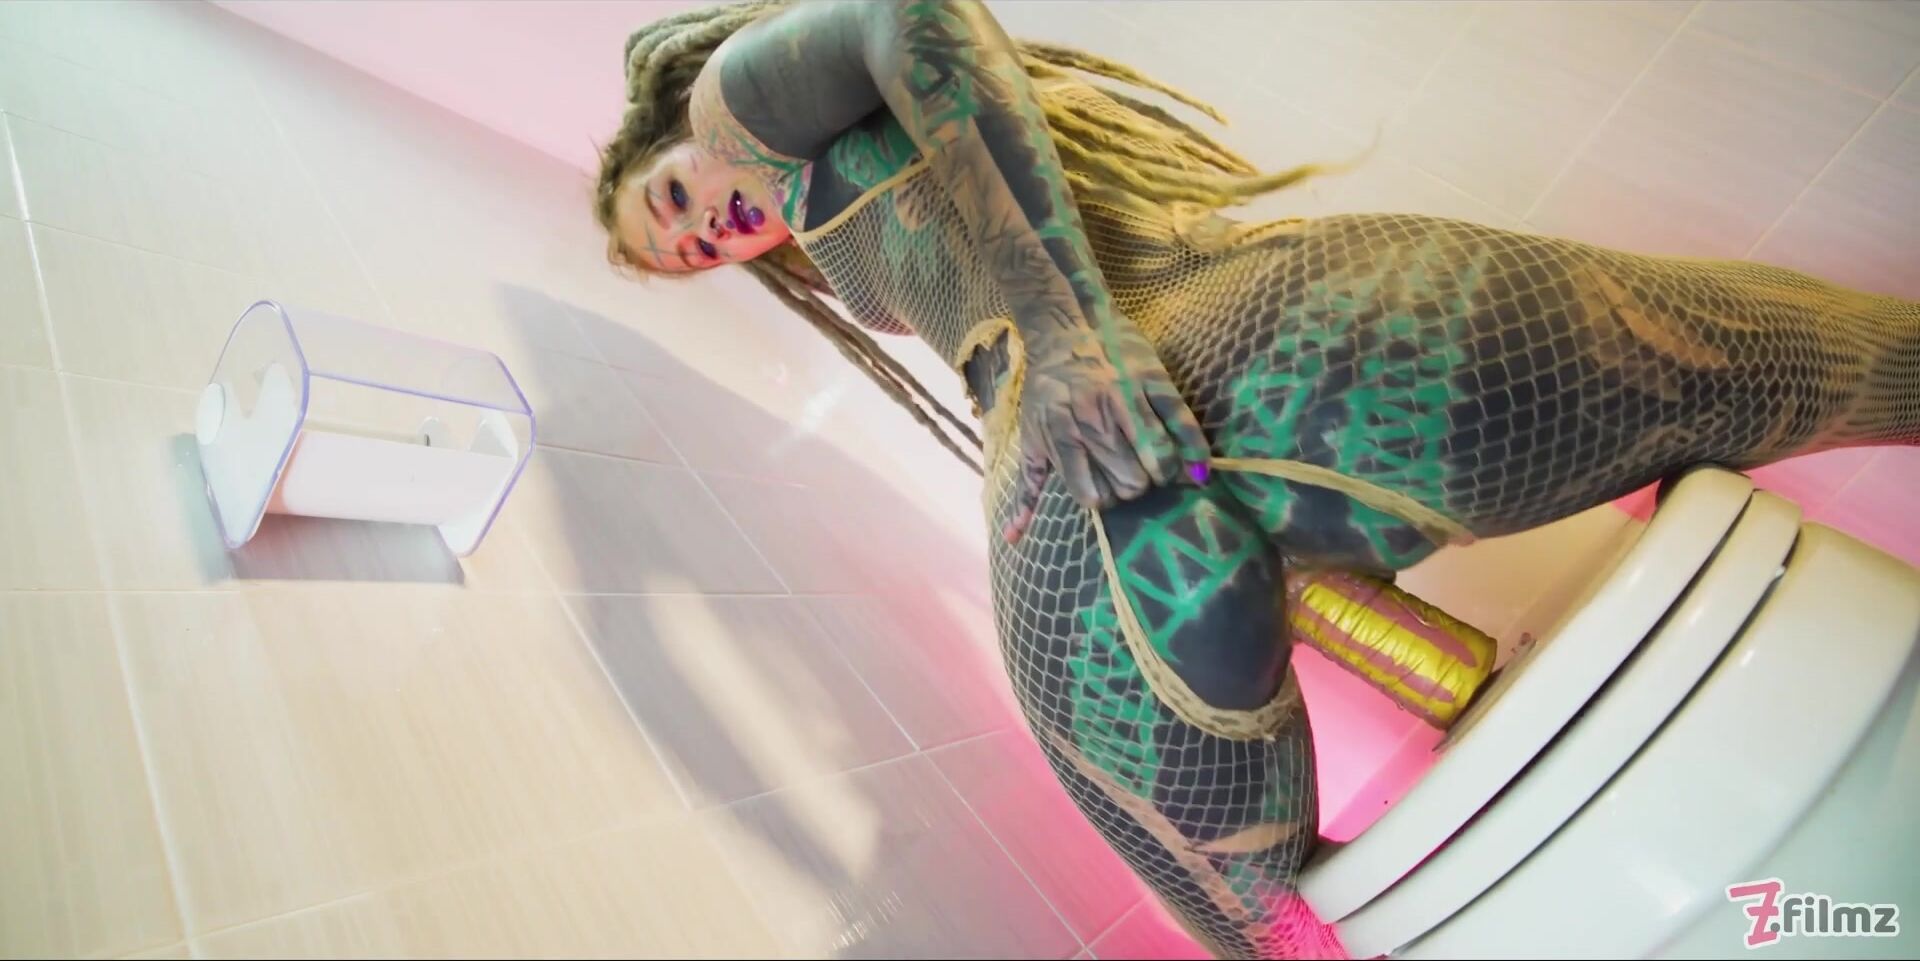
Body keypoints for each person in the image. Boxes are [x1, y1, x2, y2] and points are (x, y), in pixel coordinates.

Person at [590, 2, 1920, 956]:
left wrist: (1069, 333)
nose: (704, 230)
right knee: (1839, 367)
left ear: (667, 127)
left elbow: (911, 14)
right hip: (1253, 371)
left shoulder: (734, 99)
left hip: (1104, 465)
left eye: (668, 201)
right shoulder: (825, 200)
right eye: (693, 256)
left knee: (1258, 921)